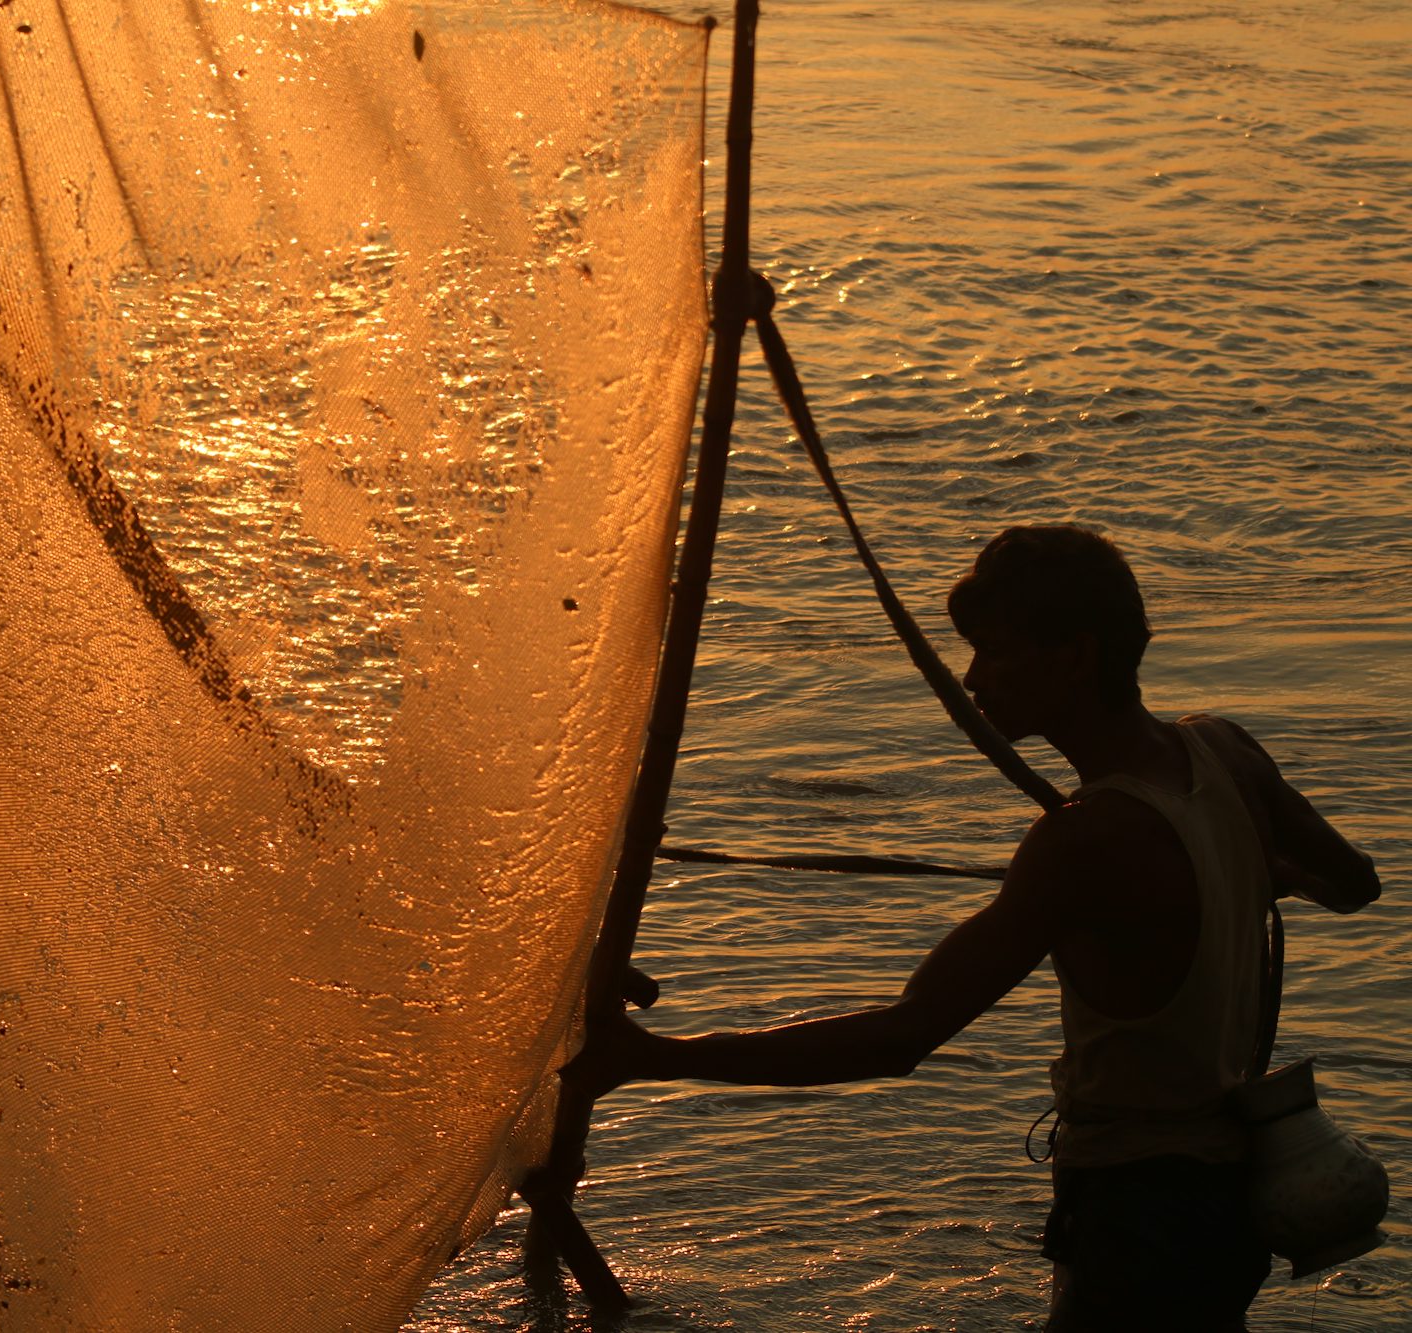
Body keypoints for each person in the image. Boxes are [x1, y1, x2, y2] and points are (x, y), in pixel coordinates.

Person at [574, 525, 1380, 1330]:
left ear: (1075, 657)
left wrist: (656, 1056)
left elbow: (902, 1037)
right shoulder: (1225, 750)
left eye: (995, 651)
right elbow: (1353, 883)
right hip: (1231, 1198)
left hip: (1138, 1211)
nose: (971, 678)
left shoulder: (1083, 840)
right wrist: (1250, 871)